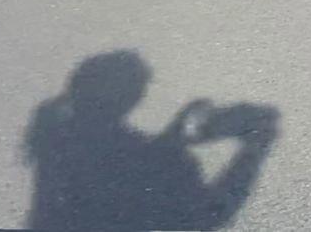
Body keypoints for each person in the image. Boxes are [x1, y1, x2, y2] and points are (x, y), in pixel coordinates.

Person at [23, 50, 278, 230]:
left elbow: (125, 165)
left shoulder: (58, 135)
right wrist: (254, 148)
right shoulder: (143, 154)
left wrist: (174, 137)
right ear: (133, 97)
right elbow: (204, 217)